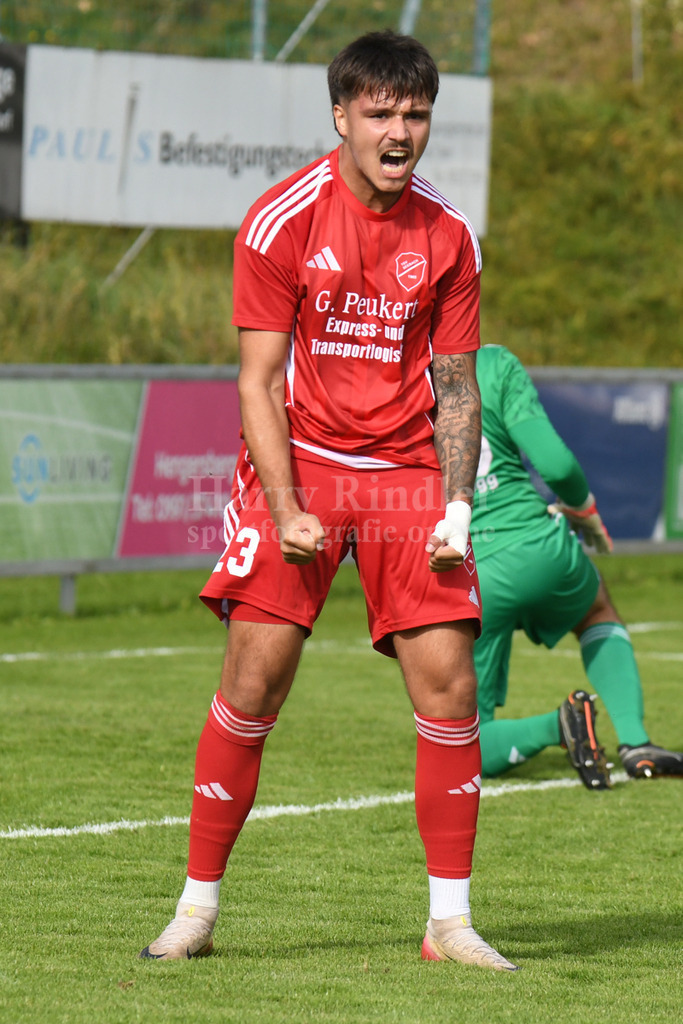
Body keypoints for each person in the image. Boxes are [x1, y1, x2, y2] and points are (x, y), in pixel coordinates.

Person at [139, 32, 518, 971]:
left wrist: (458, 508)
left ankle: (450, 925)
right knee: (252, 682)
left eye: (416, 114)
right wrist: (288, 503)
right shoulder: (281, 222)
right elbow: (258, 384)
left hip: (405, 475)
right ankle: (194, 910)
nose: (400, 132)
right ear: (342, 117)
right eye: (381, 113)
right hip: (300, 460)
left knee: (451, 685)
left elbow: (458, 388)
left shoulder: (448, 235)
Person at [470, 343, 683, 788]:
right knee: (596, 611)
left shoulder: (393, 378)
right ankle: (636, 741)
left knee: (461, 736)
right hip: (537, 548)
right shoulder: (491, 362)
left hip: (465, 571)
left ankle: (559, 723)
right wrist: (583, 509)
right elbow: (556, 463)